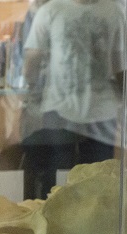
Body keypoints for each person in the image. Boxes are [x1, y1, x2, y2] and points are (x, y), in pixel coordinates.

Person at [20, 0, 125, 199]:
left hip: (100, 116)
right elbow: (31, 63)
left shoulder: (115, 10)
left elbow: (120, 65)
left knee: (98, 185)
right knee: (57, 183)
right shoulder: (50, 10)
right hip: (61, 113)